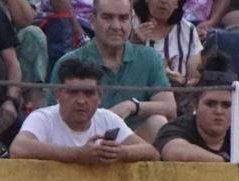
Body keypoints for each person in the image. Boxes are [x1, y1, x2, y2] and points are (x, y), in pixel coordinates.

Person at [50, 0, 173, 139]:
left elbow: (170, 107)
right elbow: (51, 116)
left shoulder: (150, 57)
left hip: (137, 145)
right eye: (107, 17)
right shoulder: (68, 62)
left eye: (123, 18)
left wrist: (132, 106)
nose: (116, 26)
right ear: (92, 20)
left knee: (157, 122)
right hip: (84, 142)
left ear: (132, 21)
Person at [11, 56, 159, 161]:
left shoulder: (107, 118)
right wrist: (78, 155)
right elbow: (18, 148)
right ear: (58, 93)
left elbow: (151, 152)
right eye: (73, 92)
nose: (81, 101)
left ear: (99, 95)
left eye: (89, 93)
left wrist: (119, 153)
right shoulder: (42, 118)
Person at [153, 72, 239, 159]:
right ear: (195, 104)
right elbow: (176, 153)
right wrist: (224, 164)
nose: (219, 111)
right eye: (210, 104)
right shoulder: (174, 129)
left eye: (226, 105)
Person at [131, 0, 200, 87]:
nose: (164, 1)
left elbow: (195, 79)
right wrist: (135, 45)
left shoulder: (188, 30)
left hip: (178, 97)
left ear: (177, 3)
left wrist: (182, 81)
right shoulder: (128, 25)